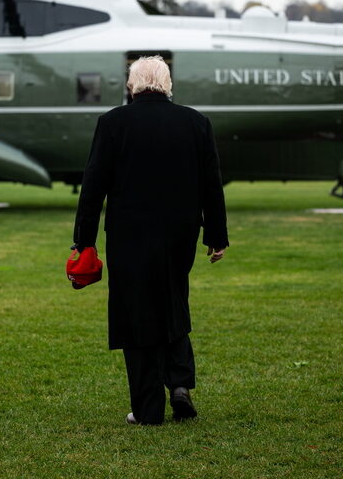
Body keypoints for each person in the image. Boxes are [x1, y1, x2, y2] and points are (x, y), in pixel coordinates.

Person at [72, 56, 229, 425]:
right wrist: (216, 235)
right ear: (167, 83)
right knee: (173, 299)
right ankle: (179, 383)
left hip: (129, 236)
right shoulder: (196, 122)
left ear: (132, 85)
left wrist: (84, 239)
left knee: (135, 312)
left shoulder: (112, 123)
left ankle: (147, 409)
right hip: (179, 234)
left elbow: (93, 187)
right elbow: (212, 185)